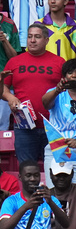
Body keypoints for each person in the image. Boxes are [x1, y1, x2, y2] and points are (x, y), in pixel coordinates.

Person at [0, 24, 64, 162]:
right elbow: (3, 89)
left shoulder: (59, 62)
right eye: (30, 36)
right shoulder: (14, 62)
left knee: (56, 171)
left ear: (46, 40)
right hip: (24, 127)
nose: (32, 40)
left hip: (53, 126)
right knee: (26, 171)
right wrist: (10, 97)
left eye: (37, 37)